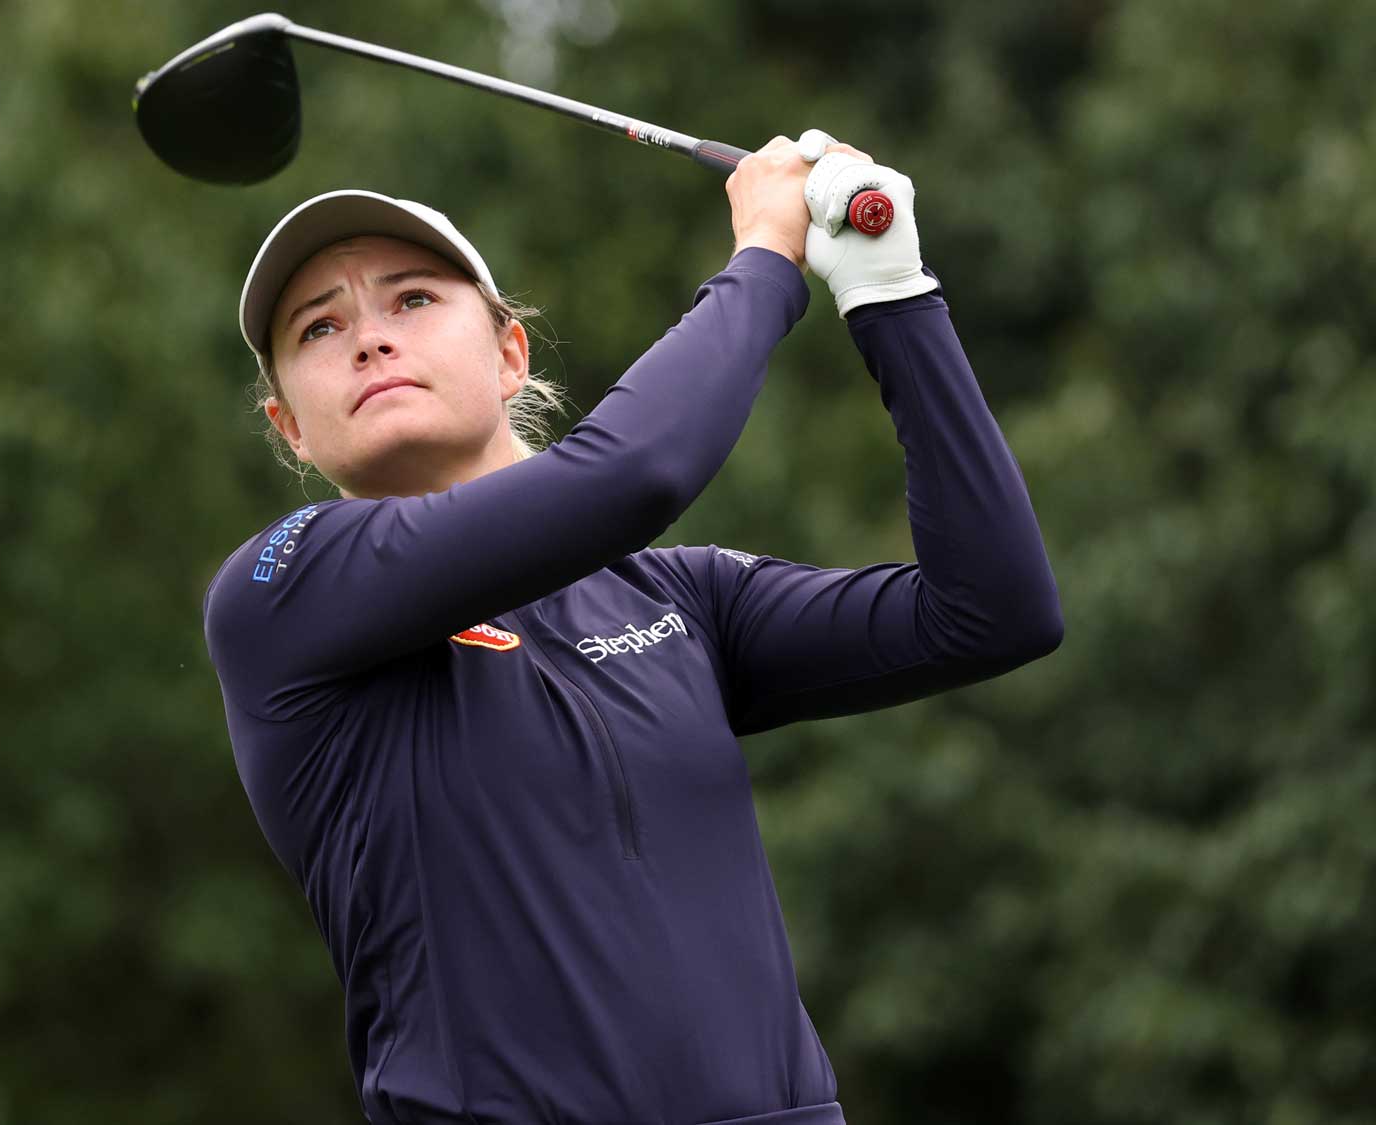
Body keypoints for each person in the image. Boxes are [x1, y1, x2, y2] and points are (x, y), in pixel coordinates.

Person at [201, 132, 1062, 1125]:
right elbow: (627, 476)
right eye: (316, 328)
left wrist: (892, 297)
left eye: (412, 299)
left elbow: (991, 612)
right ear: (289, 428)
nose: (367, 337)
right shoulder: (283, 589)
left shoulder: (673, 599)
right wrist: (763, 264)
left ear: (509, 354)